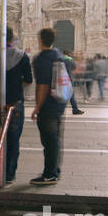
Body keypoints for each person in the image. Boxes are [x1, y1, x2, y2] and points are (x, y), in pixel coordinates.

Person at [0, 28, 33, 184]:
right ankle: (9, 174)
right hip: (15, 103)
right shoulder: (22, 56)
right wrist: (17, 82)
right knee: (13, 139)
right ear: (12, 38)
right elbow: (29, 80)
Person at [31, 27, 66, 186]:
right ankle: (54, 171)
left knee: (49, 141)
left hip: (48, 106)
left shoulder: (42, 59)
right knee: (56, 139)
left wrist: (37, 107)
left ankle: (50, 174)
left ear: (40, 40)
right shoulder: (58, 55)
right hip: (59, 102)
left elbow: (43, 86)